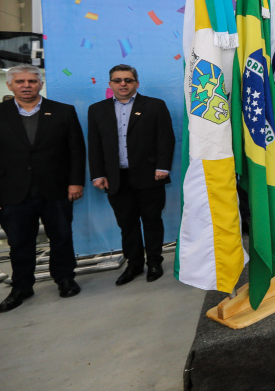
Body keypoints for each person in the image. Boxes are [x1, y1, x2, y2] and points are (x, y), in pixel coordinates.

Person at [0, 65, 85, 312]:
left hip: (57, 188)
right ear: (10, 85)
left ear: (39, 84)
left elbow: (76, 151)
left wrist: (75, 181)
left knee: (61, 237)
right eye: (20, 82)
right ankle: (22, 287)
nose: (26, 86)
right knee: (18, 242)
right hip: (12, 191)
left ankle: (65, 279)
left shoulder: (62, 111)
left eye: (31, 81)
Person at [87, 65, 175, 286]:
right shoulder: (97, 110)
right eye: (117, 80)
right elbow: (95, 145)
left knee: (152, 221)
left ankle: (154, 262)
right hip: (116, 178)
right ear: (110, 84)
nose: (123, 84)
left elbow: (166, 138)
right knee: (127, 224)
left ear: (136, 83)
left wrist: (163, 167)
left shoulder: (155, 106)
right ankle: (134, 264)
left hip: (150, 176)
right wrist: (97, 174)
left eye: (128, 80)